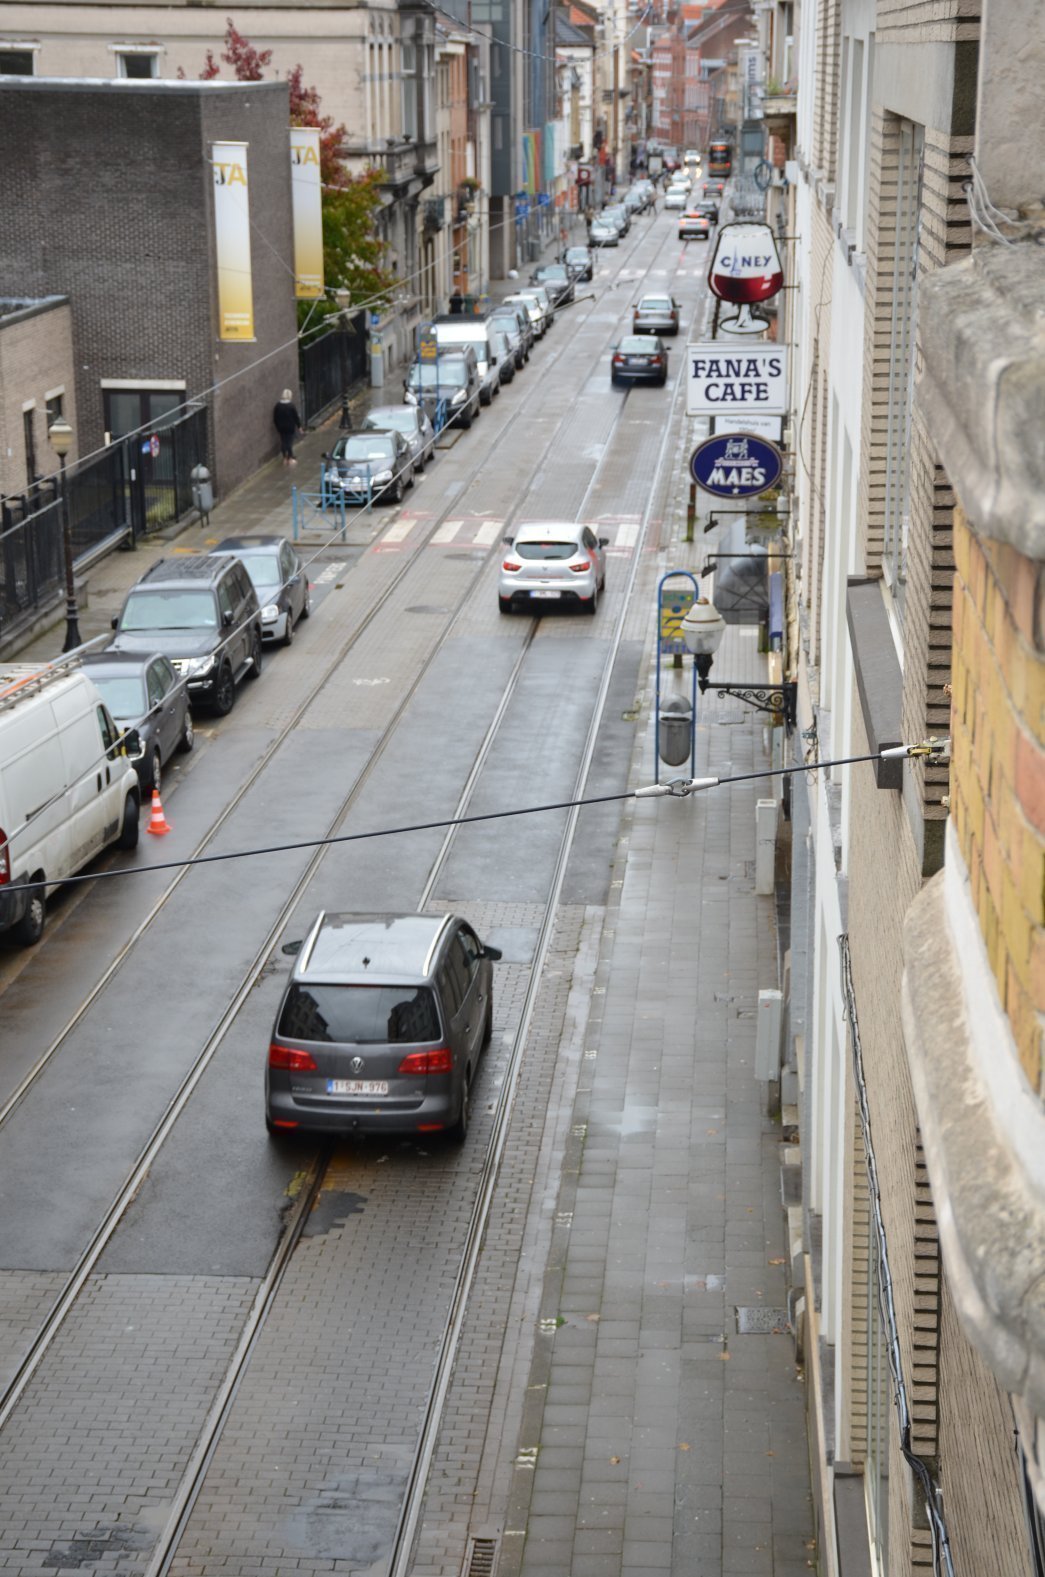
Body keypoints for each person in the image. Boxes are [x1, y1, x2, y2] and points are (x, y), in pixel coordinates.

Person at [273, 389, 302, 466]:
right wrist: (299, 426)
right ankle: (290, 458)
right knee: (289, 442)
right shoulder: (291, 406)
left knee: (283, 441)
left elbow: (275, 418)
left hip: (281, 428)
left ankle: (285, 458)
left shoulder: (278, 405)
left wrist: (278, 427)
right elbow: (296, 417)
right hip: (290, 427)